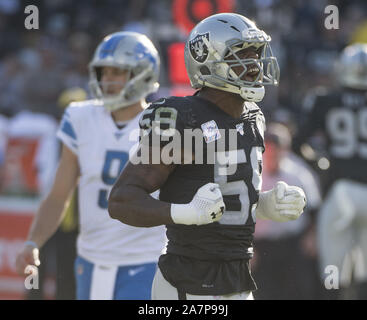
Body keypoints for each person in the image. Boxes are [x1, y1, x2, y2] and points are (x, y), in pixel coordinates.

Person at [108, 13, 306, 300]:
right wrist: (185, 213)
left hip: (238, 280)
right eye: (243, 55)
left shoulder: (254, 116)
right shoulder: (183, 118)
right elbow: (121, 200)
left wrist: (263, 204)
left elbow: (226, 199)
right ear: (209, 59)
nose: (255, 65)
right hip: (189, 282)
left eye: (257, 54)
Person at [15, 31, 166, 300]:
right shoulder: (81, 117)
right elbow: (59, 194)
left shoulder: (164, 125)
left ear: (142, 74)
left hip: (145, 259)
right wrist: (33, 241)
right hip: (91, 258)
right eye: (104, 72)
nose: (108, 79)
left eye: (117, 72)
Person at [296, 43, 367, 299]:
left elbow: (298, 143)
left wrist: (320, 163)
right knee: (363, 273)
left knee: (333, 273)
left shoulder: (325, 100)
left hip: (340, 191)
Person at [253, 122, 322, 300]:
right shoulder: (252, 172)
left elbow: (314, 207)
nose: (272, 154)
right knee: (263, 293)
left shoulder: (299, 173)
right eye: (268, 149)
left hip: (292, 243)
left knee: (298, 291)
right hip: (260, 247)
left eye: (277, 148)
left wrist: (312, 236)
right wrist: (247, 246)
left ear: (286, 149)